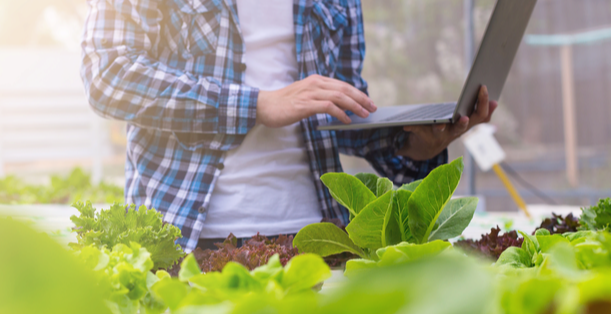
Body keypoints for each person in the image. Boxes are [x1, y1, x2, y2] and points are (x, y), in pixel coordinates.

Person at [81, 0, 497, 251]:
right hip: (189, 237)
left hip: (318, 238)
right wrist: (257, 104)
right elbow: (109, 75)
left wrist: (411, 144)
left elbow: (340, 102)